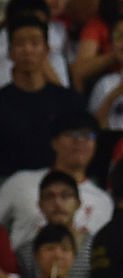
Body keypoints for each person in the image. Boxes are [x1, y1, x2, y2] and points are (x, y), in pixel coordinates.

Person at [0, 111, 113, 254]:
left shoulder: (103, 201)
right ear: (54, 142)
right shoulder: (21, 182)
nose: (79, 141)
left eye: (87, 135)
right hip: (22, 273)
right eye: (71, 134)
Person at [0, 14, 85, 177]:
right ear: (10, 52)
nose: (27, 50)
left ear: (46, 50)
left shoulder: (69, 101)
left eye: (34, 43)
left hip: (59, 182)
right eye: (20, 43)